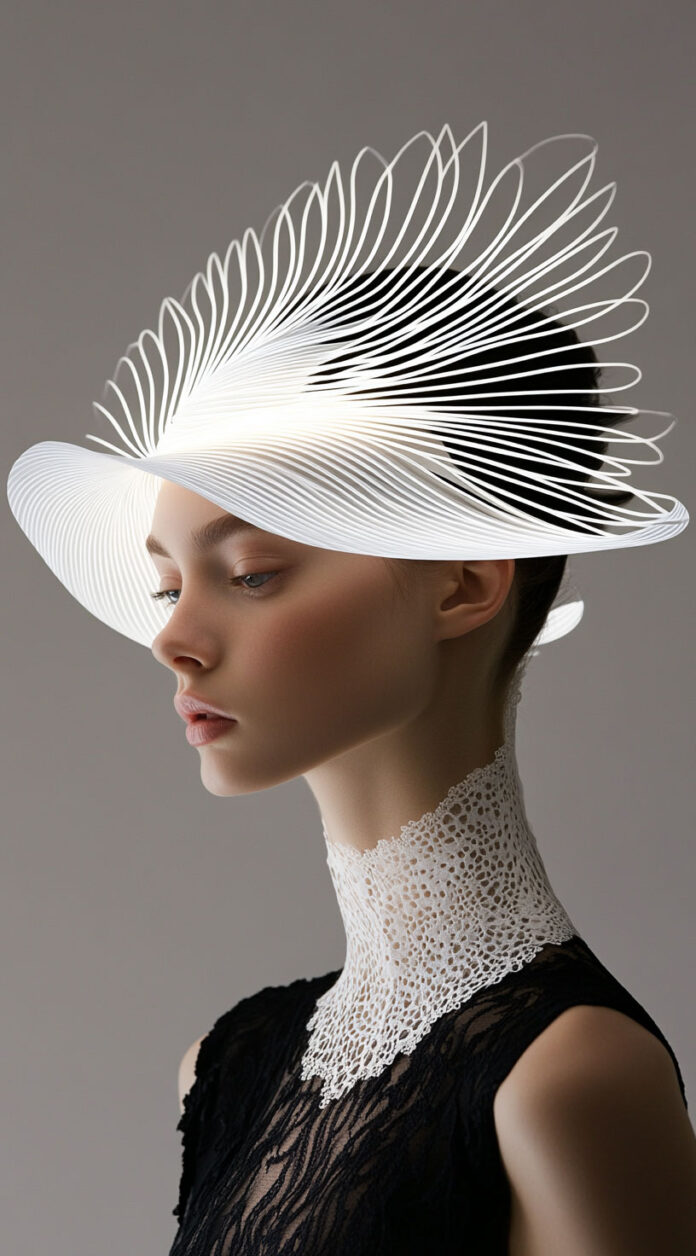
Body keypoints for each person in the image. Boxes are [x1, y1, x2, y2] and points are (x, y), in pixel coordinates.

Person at [7, 122, 696, 1253]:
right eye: (168, 582)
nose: (173, 637)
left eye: (251, 573)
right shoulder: (226, 1064)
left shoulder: (570, 1078)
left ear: (464, 583)